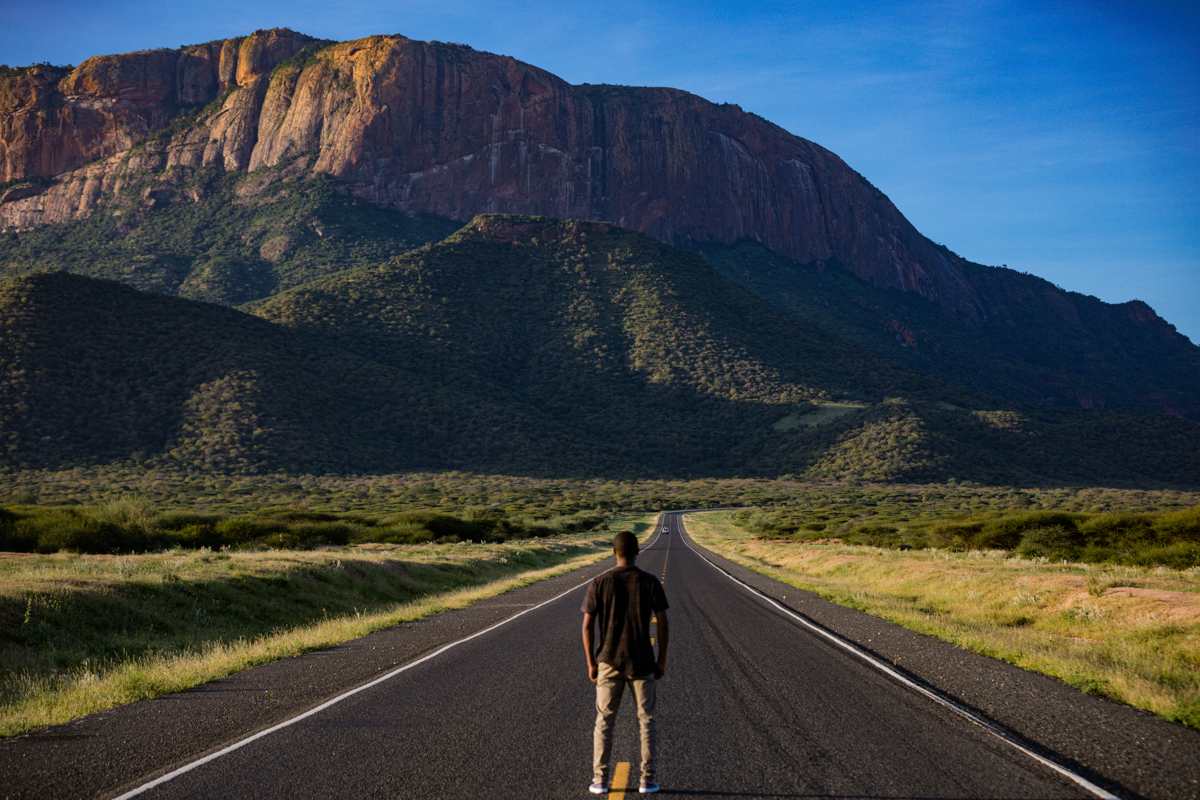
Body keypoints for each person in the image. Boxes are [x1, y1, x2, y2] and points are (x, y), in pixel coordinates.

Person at [581, 531, 670, 794]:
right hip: (642, 661)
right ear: (637, 551)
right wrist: (661, 660)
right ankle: (647, 779)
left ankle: (600, 779)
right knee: (647, 721)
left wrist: (591, 663)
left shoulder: (599, 582)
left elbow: (586, 626)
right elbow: (663, 623)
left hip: (609, 660)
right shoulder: (650, 582)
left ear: (613, 551)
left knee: (605, 721)